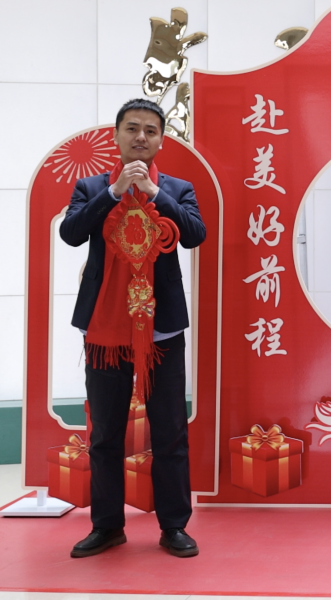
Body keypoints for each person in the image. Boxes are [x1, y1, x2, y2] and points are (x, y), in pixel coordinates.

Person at [61, 99, 206, 558]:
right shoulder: (90, 187)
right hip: (106, 331)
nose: (141, 137)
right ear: (116, 136)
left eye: (150, 130)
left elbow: (196, 234)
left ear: (161, 140)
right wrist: (114, 191)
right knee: (106, 433)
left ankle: (174, 526)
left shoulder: (178, 188)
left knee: (169, 431)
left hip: (161, 331)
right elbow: (70, 233)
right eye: (132, 128)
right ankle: (107, 526)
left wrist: (155, 193)